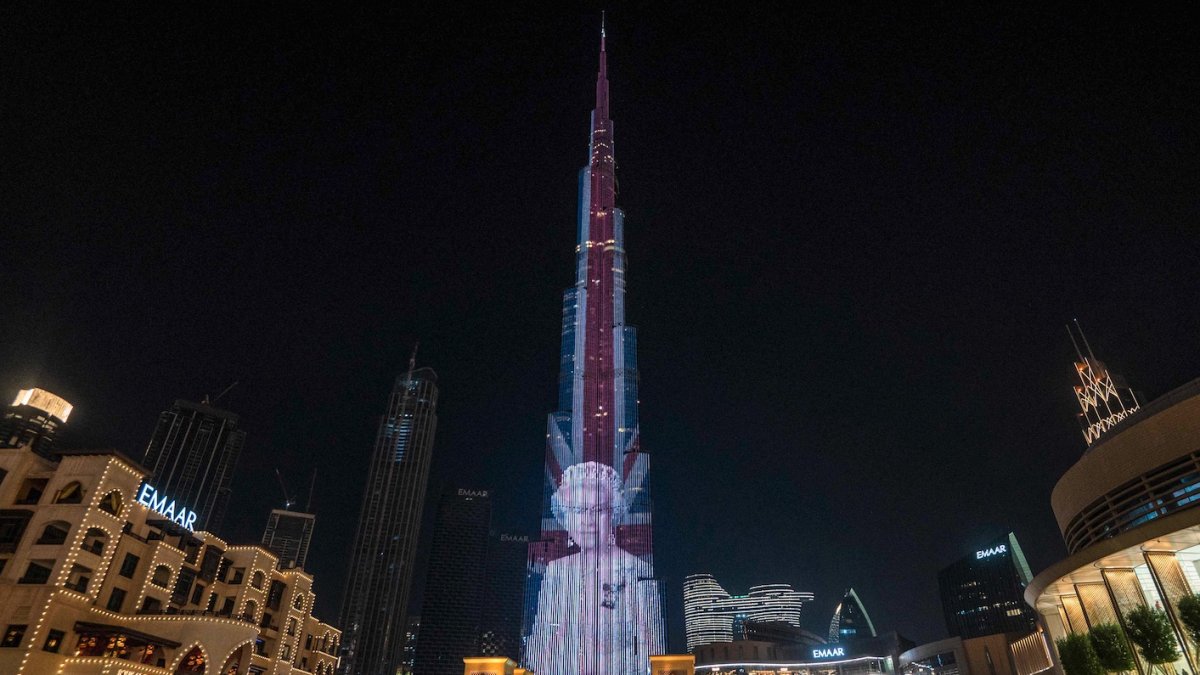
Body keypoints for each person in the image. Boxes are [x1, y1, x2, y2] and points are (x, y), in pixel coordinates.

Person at [526, 461, 664, 675]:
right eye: (578, 510)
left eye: (598, 510)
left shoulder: (637, 569)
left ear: (613, 514)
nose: (588, 521)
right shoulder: (556, 570)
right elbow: (543, 642)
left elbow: (653, 644)